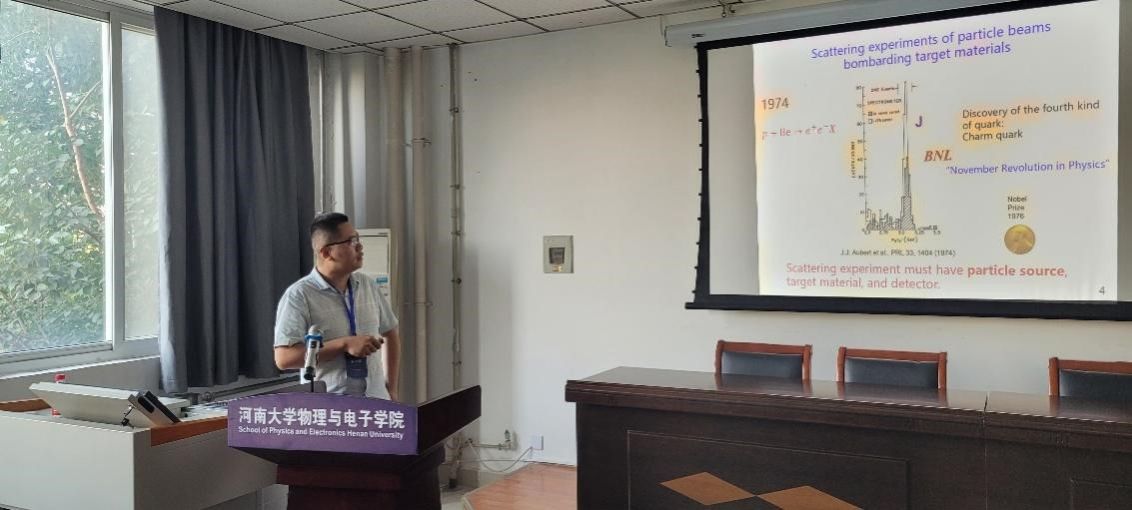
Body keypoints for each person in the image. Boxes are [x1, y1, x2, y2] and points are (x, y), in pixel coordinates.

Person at [274, 212, 401, 400]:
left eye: (357, 239)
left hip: (376, 402)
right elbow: (284, 359)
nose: (360, 246)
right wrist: (344, 344)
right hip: (331, 408)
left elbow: (390, 332)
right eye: (351, 241)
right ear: (326, 253)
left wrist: (391, 389)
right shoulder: (299, 295)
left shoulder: (367, 285)